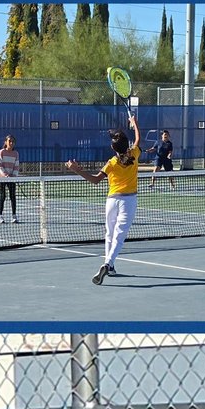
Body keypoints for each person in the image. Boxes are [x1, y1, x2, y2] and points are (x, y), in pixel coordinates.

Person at [65, 114, 140, 285]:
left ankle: (110, 266)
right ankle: (108, 263)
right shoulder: (134, 154)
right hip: (128, 201)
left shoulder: (111, 162)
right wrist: (134, 123)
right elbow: (138, 139)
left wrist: (76, 170)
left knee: (109, 233)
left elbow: (95, 180)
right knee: (119, 237)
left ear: (114, 148)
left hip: (112, 201)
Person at [0, 135, 20, 224]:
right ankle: (0, 216)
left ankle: (14, 216)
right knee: (3, 196)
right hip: (2, 178)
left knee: (13, 196)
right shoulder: (1, 152)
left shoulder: (16, 154)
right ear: (6, 142)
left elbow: (16, 166)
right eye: (9, 141)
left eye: (13, 141)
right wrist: (5, 175)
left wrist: (13, 176)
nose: (11, 143)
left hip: (11, 178)